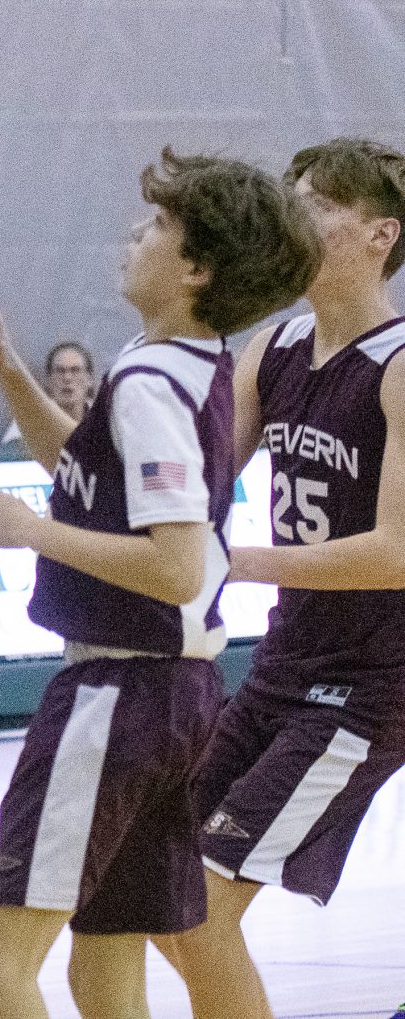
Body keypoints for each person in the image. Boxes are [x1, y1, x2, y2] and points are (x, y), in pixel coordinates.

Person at [0, 148, 318, 1019]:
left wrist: (34, 532)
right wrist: (7, 368)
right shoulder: (188, 359)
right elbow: (83, 470)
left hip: (119, 690)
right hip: (179, 695)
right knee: (102, 966)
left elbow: (179, 568)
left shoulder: (149, 378)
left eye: (158, 225)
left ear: (194, 268)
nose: (135, 234)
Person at [154, 138, 405, 1019]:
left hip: (371, 683)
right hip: (281, 664)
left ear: (381, 234)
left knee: (203, 909)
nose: (294, 214)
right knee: (163, 892)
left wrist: (237, 561)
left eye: (318, 202)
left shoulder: (402, 364)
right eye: (290, 196)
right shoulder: (277, 343)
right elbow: (205, 477)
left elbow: (397, 551)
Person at [2, 342, 95, 445]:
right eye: (60, 371)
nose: (67, 378)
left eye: (75, 370)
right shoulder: (28, 423)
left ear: (89, 379)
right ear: (49, 380)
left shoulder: (105, 420)